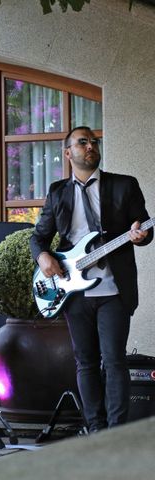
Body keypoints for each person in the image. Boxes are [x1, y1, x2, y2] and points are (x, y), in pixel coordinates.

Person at [30, 126, 152, 431]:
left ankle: (116, 432)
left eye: (94, 142)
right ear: (69, 152)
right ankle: (95, 430)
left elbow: (144, 229)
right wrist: (43, 257)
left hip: (113, 289)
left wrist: (141, 235)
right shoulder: (58, 191)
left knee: (114, 361)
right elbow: (39, 237)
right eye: (82, 142)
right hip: (73, 290)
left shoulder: (124, 186)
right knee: (85, 362)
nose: (90, 146)